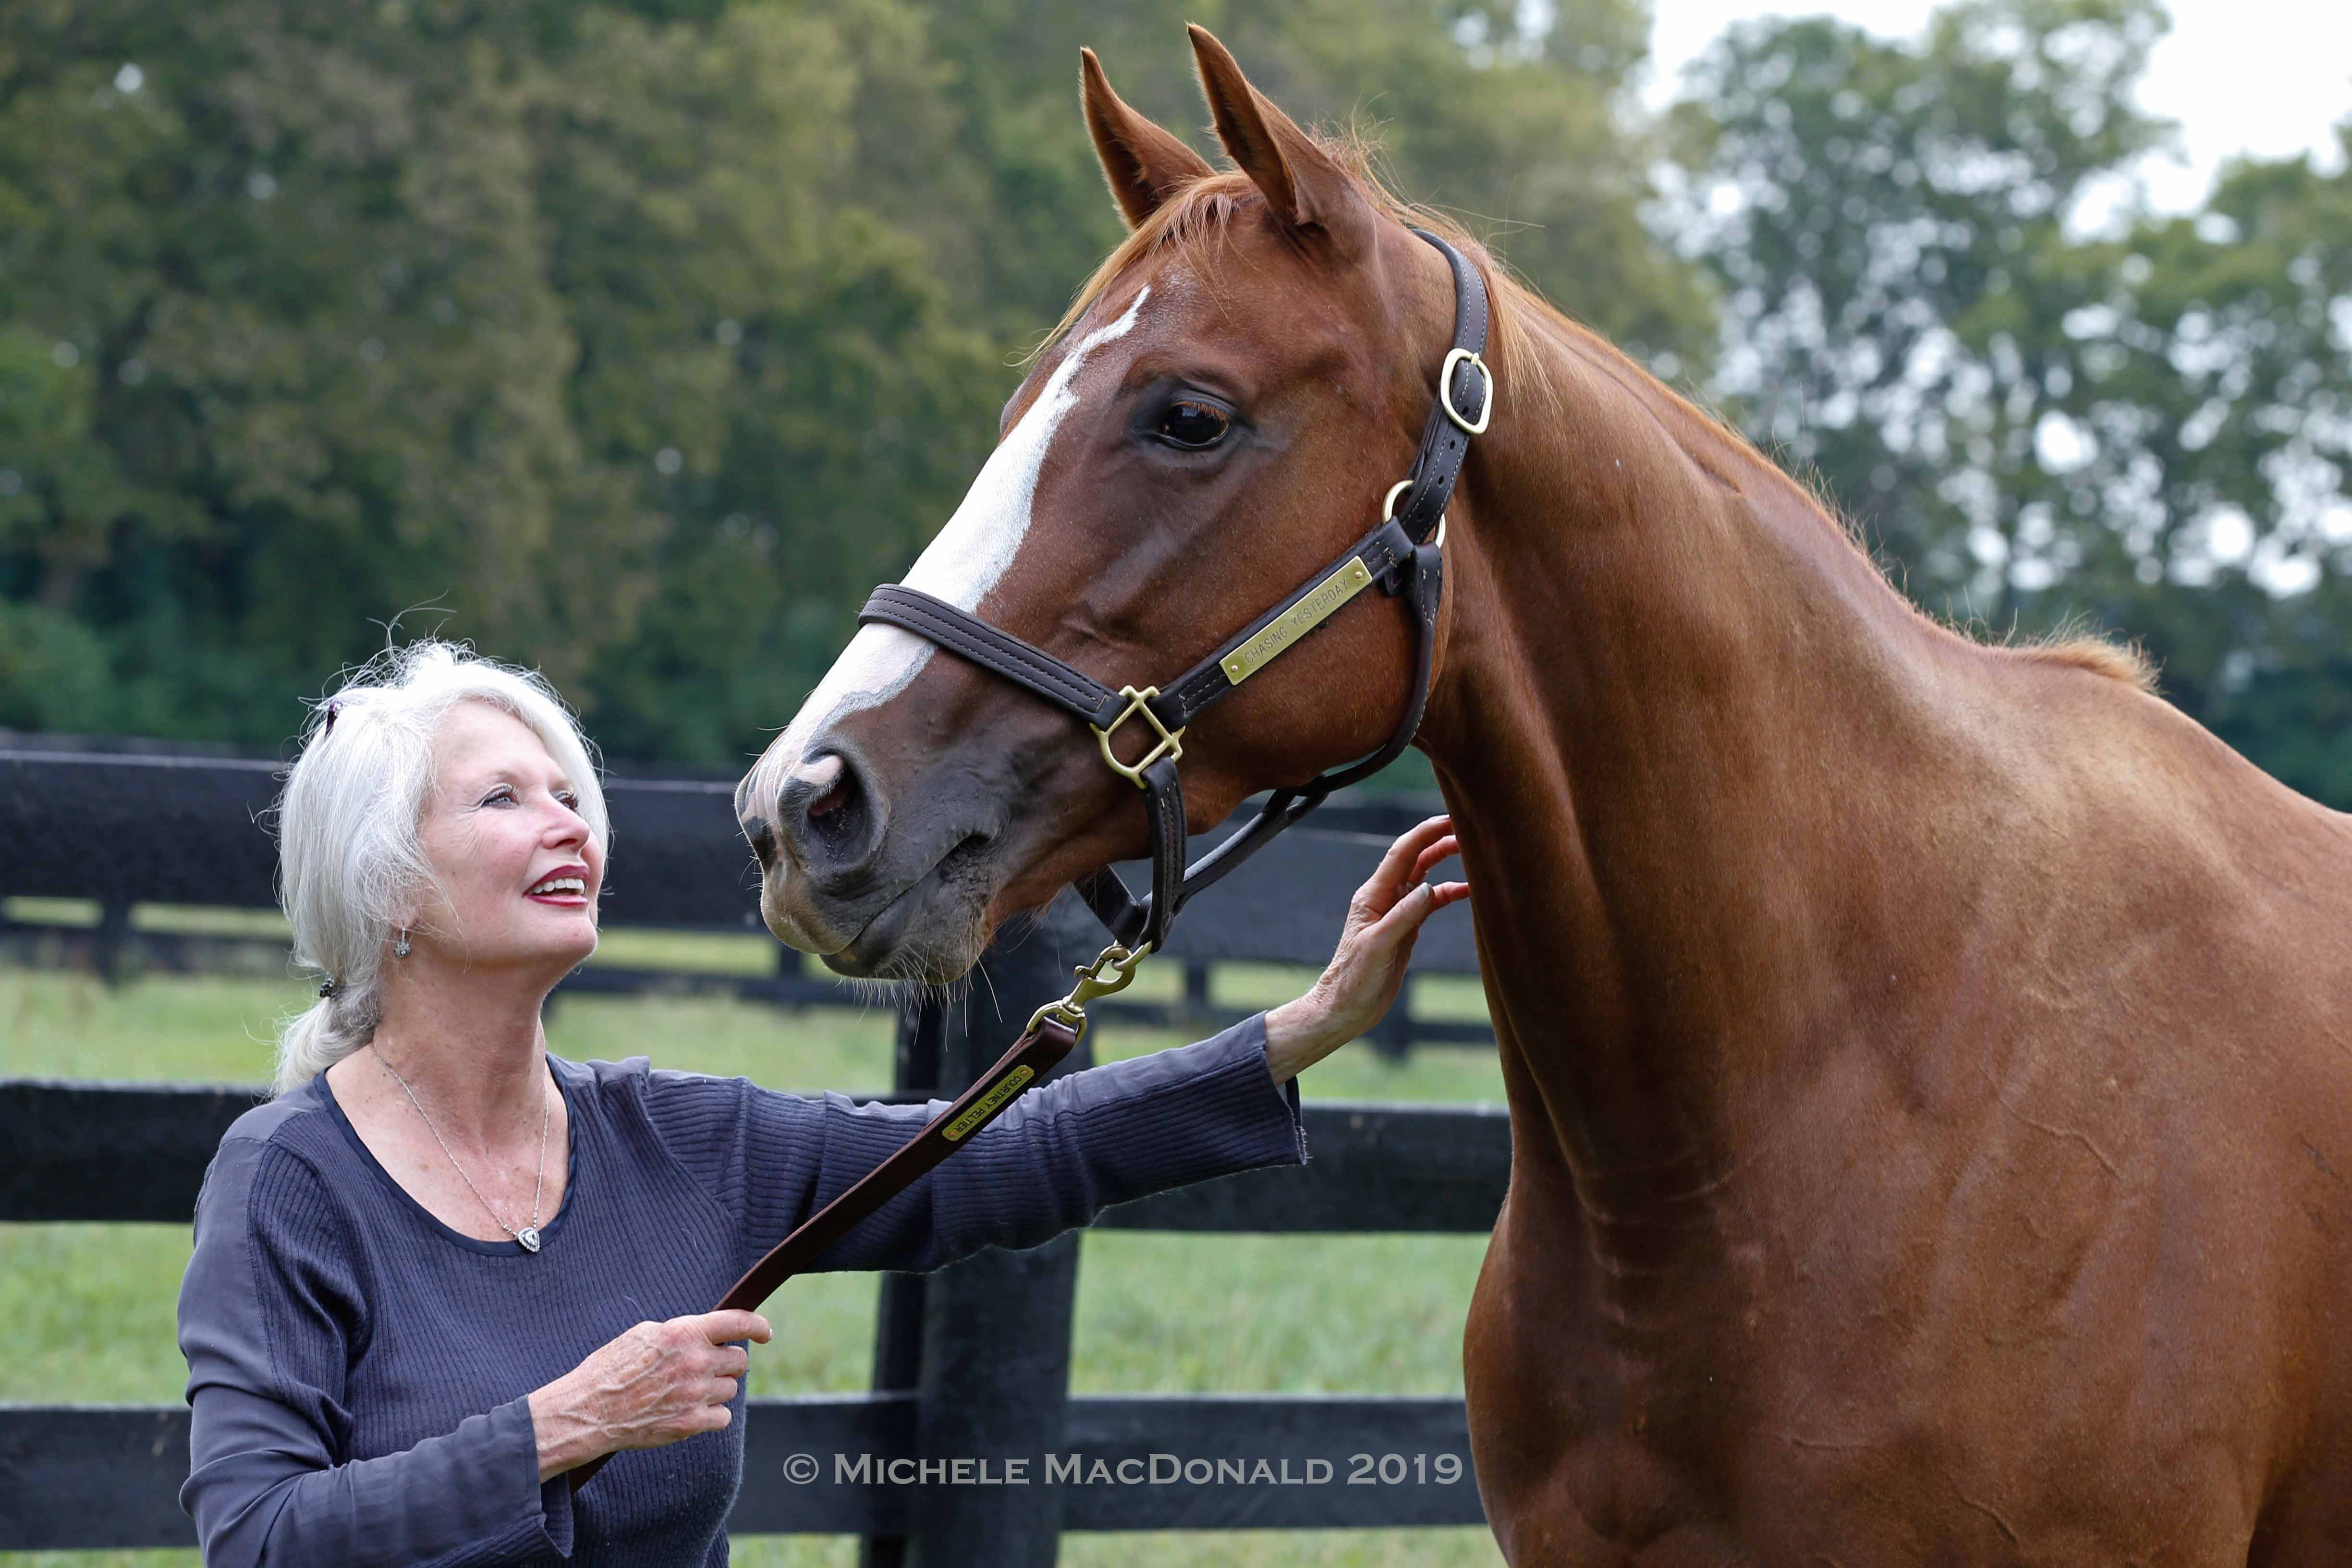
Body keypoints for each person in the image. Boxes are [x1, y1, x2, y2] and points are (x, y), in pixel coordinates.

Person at [174, 641, 1468, 1567]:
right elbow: (261, 1537)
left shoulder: (676, 1137)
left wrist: (1306, 1028)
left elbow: (1002, 1153)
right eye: (503, 798)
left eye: (571, 794)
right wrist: (566, 1423)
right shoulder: (290, 1176)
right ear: (386, 881)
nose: (566, 825)